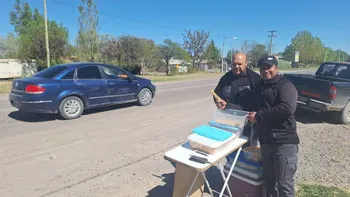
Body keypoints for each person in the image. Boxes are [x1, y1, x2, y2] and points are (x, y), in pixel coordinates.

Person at [247, 55, 300, 197]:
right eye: (262, 68)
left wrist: (258, 116)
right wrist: (227, 104)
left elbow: (287, 108)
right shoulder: (260, 87)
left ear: (276, 68)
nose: (265, 71)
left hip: (284, 142)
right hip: (266, 142)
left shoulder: (285, 86)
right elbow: (248, 103)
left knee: (284, 184)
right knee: (269, 182)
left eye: (268, 67)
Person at [213, 52, 261, 142]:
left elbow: (259, 102)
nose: (236, 66)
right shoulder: (225, 78)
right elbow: (217, 94)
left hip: (247, 123)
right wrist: (218, 102)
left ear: (246, 63)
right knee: (229, 149)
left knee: (247, 152)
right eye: (234, 64)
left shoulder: (254, 78)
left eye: (239, 64)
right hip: (228, 122)